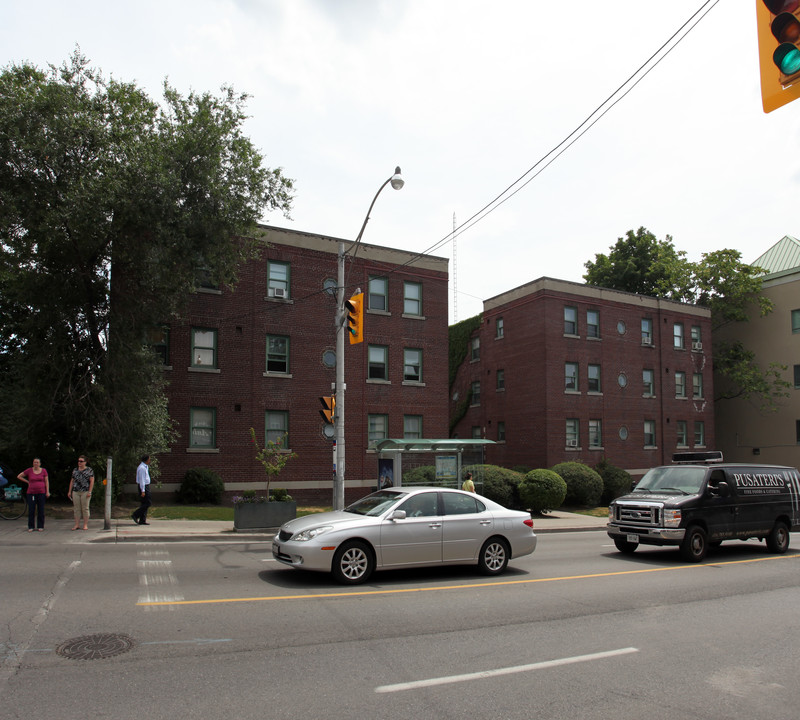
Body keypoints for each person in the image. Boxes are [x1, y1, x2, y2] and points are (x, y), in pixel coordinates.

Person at [17, 458, 50, 532]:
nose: (36, 464)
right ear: (33, 463)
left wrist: (47, 491)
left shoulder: (44, 471)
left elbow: (46, 481)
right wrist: (28, 482)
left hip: (41, 492)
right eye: (34, 462)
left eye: (37, 462)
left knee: (40, 509)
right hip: (31, 493)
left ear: (40, 463)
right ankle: (31, 526)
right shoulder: (29, 470)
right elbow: (19, 476)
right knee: (31, 509)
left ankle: (40, 526)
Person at [67, 455, 94, 531]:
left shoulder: (89, 470)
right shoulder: (75, 470)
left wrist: (90, 491)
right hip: (76, 491)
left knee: (85, 508)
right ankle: (77, 524)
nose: (79, 462)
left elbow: (92, 481)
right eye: (79, 461)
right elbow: (72, 481)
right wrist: (69, 491)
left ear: (85, 462)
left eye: (81, 461)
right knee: (76, 508)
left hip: (85, 491)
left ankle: (85, 524)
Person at [131, 454, 151, 525]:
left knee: (144, 503)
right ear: (146, 460)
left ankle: (142, 520)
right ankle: (135, 514)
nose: (150, 460)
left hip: (146, 486)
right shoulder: (142, 468)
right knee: (148, 503)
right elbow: (142, 480)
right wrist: (143, 491)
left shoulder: (145, 467)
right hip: (144, 486)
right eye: (149, 459)